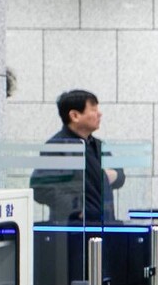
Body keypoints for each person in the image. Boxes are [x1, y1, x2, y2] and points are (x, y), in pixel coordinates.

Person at [30, 89, 125, 223]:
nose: (99, 114)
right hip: (72, 230)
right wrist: (76, 208)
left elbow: (120, 177)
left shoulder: (98, 145)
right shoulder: (57, 146)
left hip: (103, 224)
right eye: (93, 109)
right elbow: (40, 188)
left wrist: (113, 175)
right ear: (75, 115)